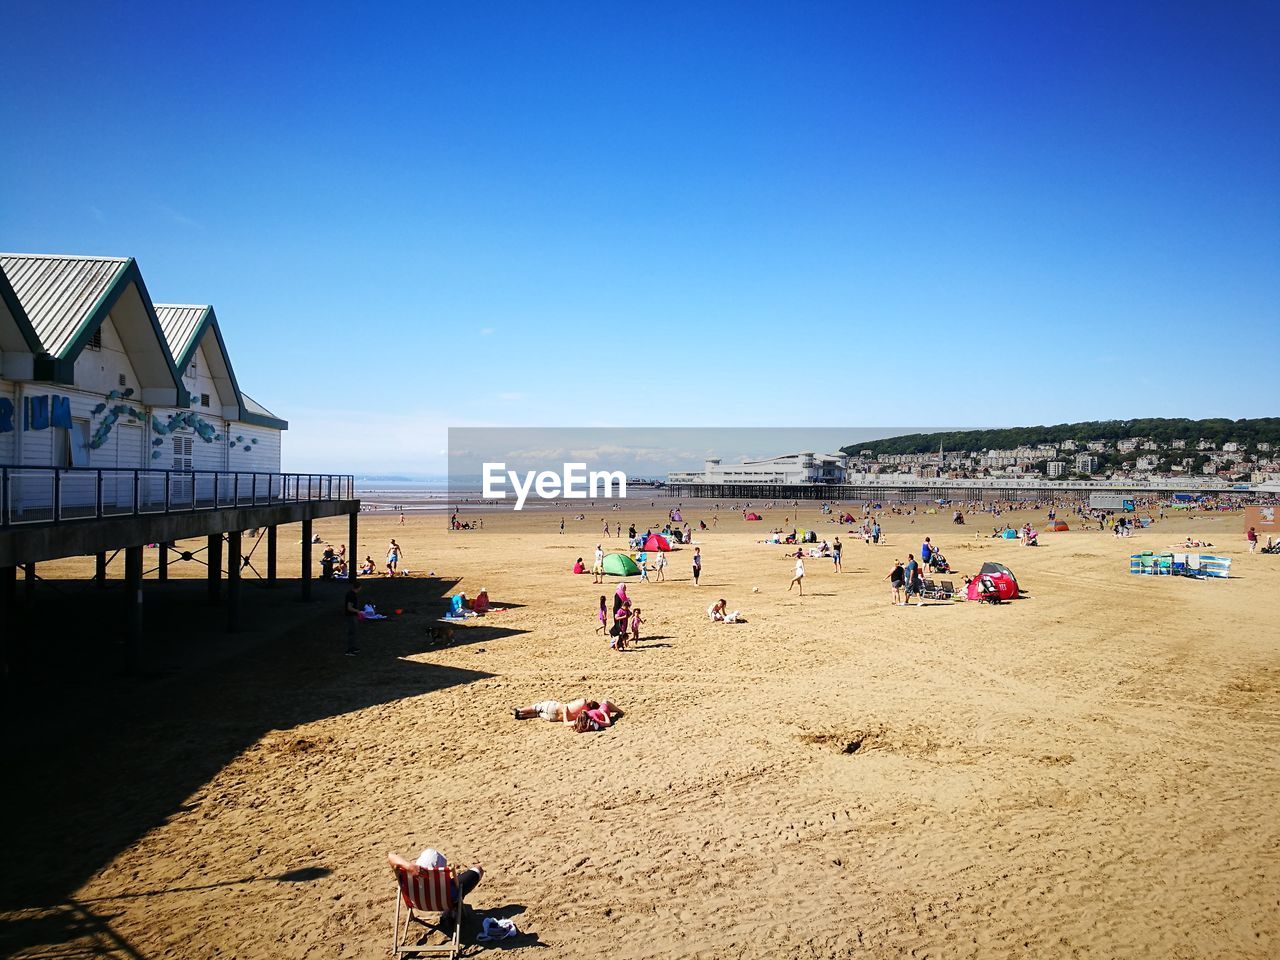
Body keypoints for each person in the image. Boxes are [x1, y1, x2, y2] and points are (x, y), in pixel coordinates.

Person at [386, 850, 484, 933]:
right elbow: (477, 870)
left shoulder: (409, 881)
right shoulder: (446, 889)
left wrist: (409, 866)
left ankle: (449, 912)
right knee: (477, 870)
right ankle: (450, 911)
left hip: (417, 903)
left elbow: (390, 856)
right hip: (445, 900)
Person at [514, 697, 598, 722]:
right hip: (554, 718)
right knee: (538, 714)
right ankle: (521, 717)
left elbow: (582, 700)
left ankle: (520, 711)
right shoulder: (586, 716)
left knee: (537, 707)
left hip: (555, 708)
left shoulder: (583, 702)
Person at [343, 581, 361, 656]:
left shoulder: (351, 593)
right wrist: (358, 611)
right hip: (351, 616)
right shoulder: (352, 596)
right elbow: (349, 607)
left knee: (353, 632)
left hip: (352, 615)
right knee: (351, 633)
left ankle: (353, 647)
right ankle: (349, 650)